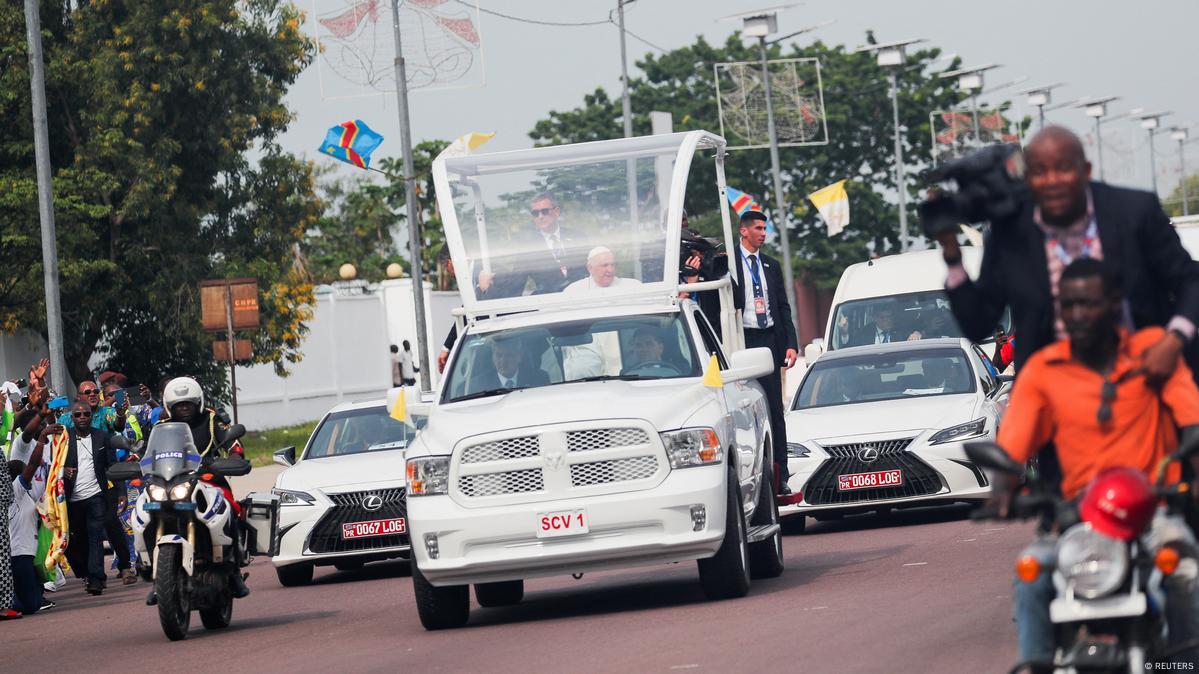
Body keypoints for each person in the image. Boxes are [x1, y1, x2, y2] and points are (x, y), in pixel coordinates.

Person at [991, 259, 1199, 668]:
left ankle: (1185, 663)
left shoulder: (1153, 352)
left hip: (1152, 513)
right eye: (1069, 305)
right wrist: (1002, 491)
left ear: (1115, 304)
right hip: (1078, 521)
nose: (1079, 315)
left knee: (1185, 574)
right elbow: (1012, 447)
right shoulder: (1043, 371)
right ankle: (1037, 664)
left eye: (1090, 303)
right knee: (1030, 574)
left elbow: (1191, 414)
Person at [937, 126, 1199, 383]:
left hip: (1145, 378)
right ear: (1027, 179)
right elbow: (979, 324)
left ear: (1085, 171)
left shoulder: (1135, 212)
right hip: (1056, 395)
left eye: (1063, 168)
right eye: (1039, 172)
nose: (1052, 181)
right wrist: (952, 257)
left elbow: (1190, 280)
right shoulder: (1009, 234)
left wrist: (1174, 338)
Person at [158, 376, 250, 598]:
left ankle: (234, 570)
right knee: (149, 510)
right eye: (179, 405)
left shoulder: (211, 419)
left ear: (197, 402)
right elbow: (147, 451)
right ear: (170, 407)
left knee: (232, 508)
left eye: (188, 404)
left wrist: (235, 455)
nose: (184, 409)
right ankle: (157, 580)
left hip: (208, 478)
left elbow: (232, 442)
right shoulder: (162, 426)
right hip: (172, 482)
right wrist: (135, 459)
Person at [734, 210, 799, 492]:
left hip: (770, 339)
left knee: (775, 409)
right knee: (745, 407)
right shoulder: (730, 264)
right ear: (743, 231)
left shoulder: (770, 265)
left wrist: (791, 343)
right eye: (758, 228)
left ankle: (780, 475)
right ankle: (750, 475)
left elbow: (783, 306)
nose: (763, 233)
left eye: (765, 228)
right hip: (742, 340)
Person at [478, 192, 588, 298]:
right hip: (551, 308)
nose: (540, 216)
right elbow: (514, 286)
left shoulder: (578, 237)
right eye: (535, 213)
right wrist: (487, 288)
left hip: (584, 302)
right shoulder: (529, 248)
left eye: (544, 211)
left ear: (557, 211)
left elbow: (596, 269)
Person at [59, 401, 117, 595]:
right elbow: (51, 462)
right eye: (78, 415)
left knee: (95, 536)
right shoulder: (64, 438)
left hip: (96, 495)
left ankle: (96, 579)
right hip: (71, 499)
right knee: (76, 540)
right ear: (72, 418)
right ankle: (85, 573)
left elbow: (112, 466)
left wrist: (121, 493)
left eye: (86, 414)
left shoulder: (102, 436)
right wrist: (62, 470)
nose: (82, 417)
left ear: (91, 416)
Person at [9, 441, 52, 614]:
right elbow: (33, 465)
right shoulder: (15, 490)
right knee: (31, 605)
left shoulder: (24, 495)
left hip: (27, 555)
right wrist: (41, 440)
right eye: (25, 473)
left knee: (32, 600)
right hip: (19, 555)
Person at [470, 338, 549, 393]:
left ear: (519, 357)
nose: (503, 361)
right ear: (493, 357)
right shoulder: (478, 385)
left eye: (509, 355)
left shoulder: (539, 379)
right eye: (499, 355)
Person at [563, 246, 642, 293]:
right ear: (590, 268)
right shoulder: (574, 291)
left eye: (612, 265)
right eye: (605, 265)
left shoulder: (633, 286)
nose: (610, 270)